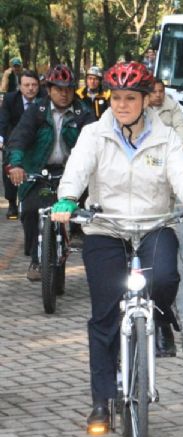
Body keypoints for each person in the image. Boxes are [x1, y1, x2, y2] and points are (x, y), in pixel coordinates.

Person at [48, 61, 183, 435]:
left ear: (145, 100)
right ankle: (101, 401)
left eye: (130, 98)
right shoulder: (94, 134)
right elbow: (77, 168)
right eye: (116, 97)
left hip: (153, 223)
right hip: (105, 228)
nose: (122, 104)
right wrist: (68, 199)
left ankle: (157, 319)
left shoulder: (165, 136)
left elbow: (181, 171)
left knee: (166, 277)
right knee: (104, 315)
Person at [5, 65, 95, 281]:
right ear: (49, 89)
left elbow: (96, 144)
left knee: (85, 204)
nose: (64, 94)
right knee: (30, 211)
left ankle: (76, 231)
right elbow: (19, 139)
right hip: (39, 171)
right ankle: (36, 259)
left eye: (68, 89)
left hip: (72, 172)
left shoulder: (83, 113)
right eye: (58, 89)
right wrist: (16, 165)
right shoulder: (37, 111)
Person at [0, 69, 41, 220]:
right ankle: (12, 203)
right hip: (13, 141)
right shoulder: (10, 99)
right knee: (9, 167)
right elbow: (3, 120)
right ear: (20, 86)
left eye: (34, 85)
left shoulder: (45, 99)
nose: (30, 88)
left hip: (37, 142)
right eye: (26, 85)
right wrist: (1, 139)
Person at [148, 78, 183, 146]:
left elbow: (180, 126)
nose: (158, 95)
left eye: (161, 91)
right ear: (147, 93)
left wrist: (180, 145)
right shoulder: (140, 107)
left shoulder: (173, 106)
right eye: (154, 92)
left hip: (166, 146)